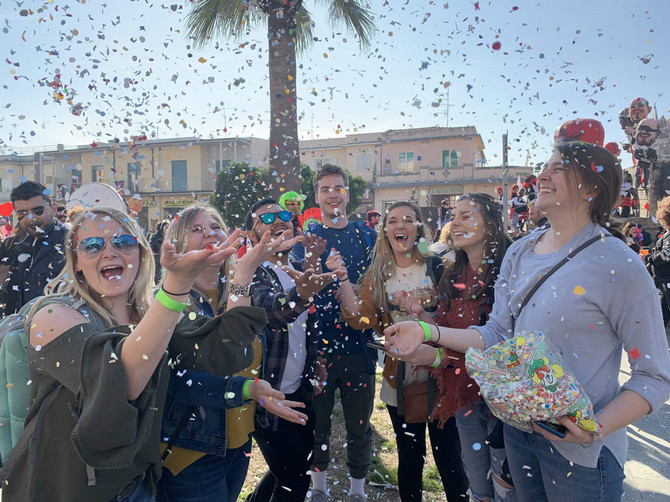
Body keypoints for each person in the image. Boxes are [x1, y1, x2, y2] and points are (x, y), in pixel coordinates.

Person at [385, 142, 670, 502]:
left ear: (593, 187)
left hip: (582, 456)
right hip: (518, 432)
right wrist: (427, 330)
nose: (542, 175)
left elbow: (654, 376)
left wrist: (594, 428)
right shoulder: (520, 251)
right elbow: (498, 334)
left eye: (559, 168)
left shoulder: (619, 264)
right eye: (544, 166)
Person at [0, 205, 243, 501]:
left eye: (124, 242)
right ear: (76, 262)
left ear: (140, 254)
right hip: (61, 490)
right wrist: (177, 287)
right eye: (92, 245)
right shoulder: (52, 317)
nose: (110, 252)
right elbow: (120, 382)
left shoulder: (151, 316)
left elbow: (223, 354)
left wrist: (245, 272)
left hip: (138, 486)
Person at [158, 205, 309, 502]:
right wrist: (248, 389)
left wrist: (261, 395)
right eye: (196, 229)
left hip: (238, 447)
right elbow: (186, 381)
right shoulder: (172, 301)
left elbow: (248, 361)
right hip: (192, 454)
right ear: (176, 243)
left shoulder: (237, 292)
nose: (210, 233)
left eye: (215, 226)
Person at [330, 201, 469, 502]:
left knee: (448, 452)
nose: (399, 226)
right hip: (401, 376)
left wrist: (421, 314)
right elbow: (360, 319)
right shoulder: (378, 273)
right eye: (392, 221)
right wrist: (342, 279)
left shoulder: (438, 266)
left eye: (407, 220)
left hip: (441, 370)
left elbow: (457, 319)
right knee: (410, 452)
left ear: (419, 227)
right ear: (384, 230)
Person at [384, 195, 514, 502]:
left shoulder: (508, 273)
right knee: (479, 490)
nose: (454, 223)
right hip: (464, 397)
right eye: (453, 216)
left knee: (507, 489)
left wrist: (437, 353)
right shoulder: (454, 273)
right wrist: (420, 316)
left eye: (466, 215)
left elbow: (503, 347)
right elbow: (447, 332)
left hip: (503, 403)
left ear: (492, 224)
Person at [295, 164, 377, 502]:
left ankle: (358, 490)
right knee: (319, 425)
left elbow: (377, 284)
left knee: (360, 426)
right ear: (317, 196)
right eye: (326, 189)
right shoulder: (309, 237)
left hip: (360, 347)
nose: (333, 194)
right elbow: (304, 286)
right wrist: (328, 276)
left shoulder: (366, 234)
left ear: (348, 194)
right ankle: (319, 488)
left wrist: (352, 286)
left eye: (339, 188)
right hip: (319, 350)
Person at [243, 199, 334, 502]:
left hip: (298, 389)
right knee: (294, 479)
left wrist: (316, 360)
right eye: (265, 217)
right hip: (266, 396)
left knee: (297, 466)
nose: (278, 220)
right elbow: (274, 311)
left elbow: (308, 325)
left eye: (283, 215)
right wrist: (305, 291)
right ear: (252, 236)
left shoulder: (294, 269)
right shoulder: (251, 272)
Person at [0, 181, 67, 317]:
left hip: (58, 327)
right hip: (24, 328)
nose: (31, 219)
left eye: (38, 211)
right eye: (22, 213)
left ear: (53, 209)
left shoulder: (70, 243)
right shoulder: (14, 245)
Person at [648, 196, 670, 327]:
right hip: (663, 281)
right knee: (661, 315)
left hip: (667, 280)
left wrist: (650, 259)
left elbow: (667, 254)